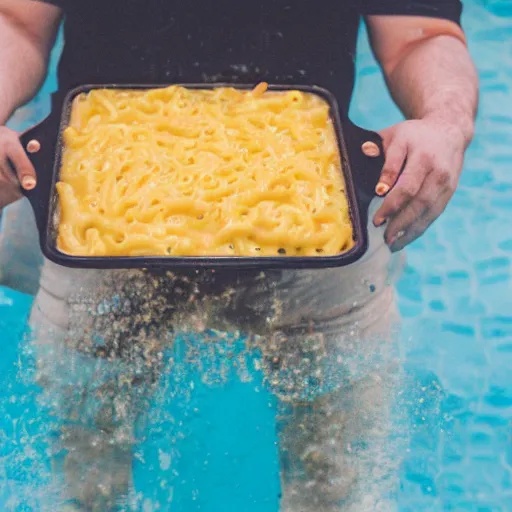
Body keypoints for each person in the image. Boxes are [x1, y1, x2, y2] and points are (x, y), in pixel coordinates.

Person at [0, 0, 478, 510]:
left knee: (339, 486)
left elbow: (419, 34)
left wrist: (445, 121)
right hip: (99, 205)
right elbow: (19, 21)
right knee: (79, 478)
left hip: (311, 208)